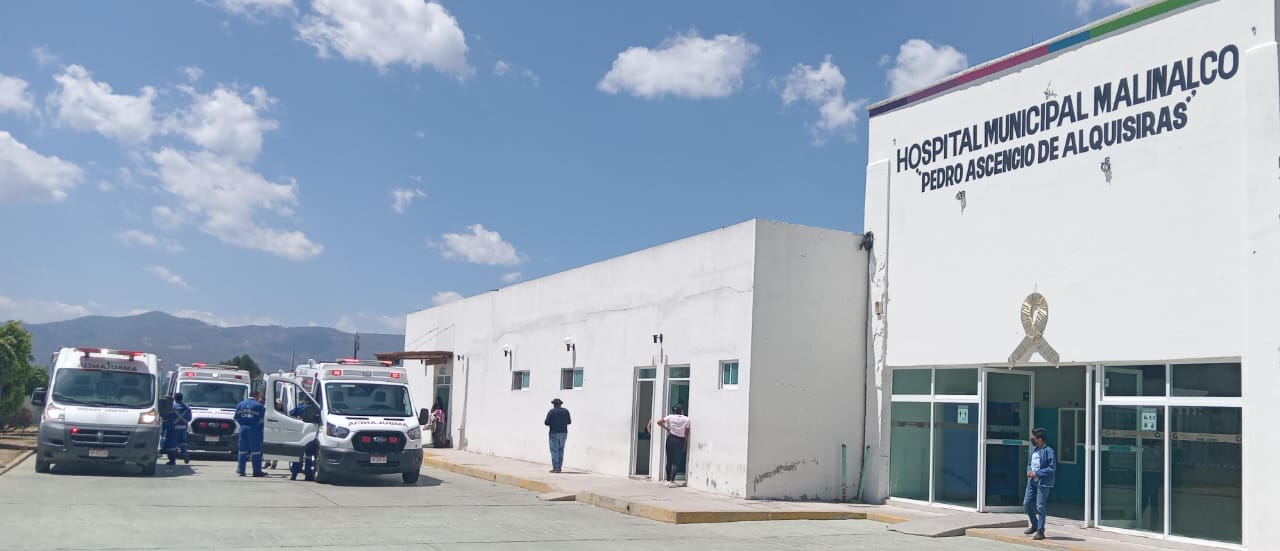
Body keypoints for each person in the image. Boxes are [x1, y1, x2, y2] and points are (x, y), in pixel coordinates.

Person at [1024, 427, 1056, 541]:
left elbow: (1052, 468)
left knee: (1040, 506)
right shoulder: (1034, 450)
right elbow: (1029, 463)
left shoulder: (1049, 451)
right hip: (1031, 481)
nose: (1032, 439)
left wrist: (1037, 473)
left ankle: (1040, 531)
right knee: (1027, 504)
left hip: (1043, 483)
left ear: (1040, 439)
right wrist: (1029, 471)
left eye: (1034, 437)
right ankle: (1035, 525)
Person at [656, 404, 690, 487]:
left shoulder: (670, 417)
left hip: (670, 439)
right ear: (682, 410)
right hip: (680, 440)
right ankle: (672, 481)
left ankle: (668, 480)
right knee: (676, 462)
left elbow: (659, 422)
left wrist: (667, 429)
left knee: (669, 460)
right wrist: (685, 444)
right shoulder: (687, 419)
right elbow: (686, 433)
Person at [235, 391, 267, 477]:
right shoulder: (259, 406)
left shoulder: (240, 404)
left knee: (242, 450)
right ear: (255, 396)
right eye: (258, 396)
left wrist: (242, 425)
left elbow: (236, 418)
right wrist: (260, 431)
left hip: (243, 428)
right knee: (256, 451)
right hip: (254, 429)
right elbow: (261, 420)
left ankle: (241, 470)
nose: (259, 398)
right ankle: (257, 471)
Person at [287, 402, 316, 481]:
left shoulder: (300, 407)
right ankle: (308, 475)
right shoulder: (316, 408)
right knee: (308, 456)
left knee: (297, 455)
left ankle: (294, 475)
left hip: (299, 433)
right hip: (311, 433)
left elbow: (291, 413)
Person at [544, 398, 571, 473]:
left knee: (554, 450)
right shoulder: (566, 411)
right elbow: (569, 422)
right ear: (560, 404)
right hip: (564, 433)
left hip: (554, 433)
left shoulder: (551, 412)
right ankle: (559, 467)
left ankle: (556, 468)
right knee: (561, 450)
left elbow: (546, 422)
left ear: (554, 404)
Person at [165, 393, 192, 465]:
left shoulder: (172, 407)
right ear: (182, 398)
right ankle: (185, 453)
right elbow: (189, 418)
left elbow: (168, 417)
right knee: (183, 442)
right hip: (183, 427)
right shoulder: (187, 407)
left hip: (173, 428)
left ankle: (172, 460)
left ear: (174, 398)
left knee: (172, 445)